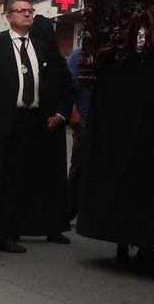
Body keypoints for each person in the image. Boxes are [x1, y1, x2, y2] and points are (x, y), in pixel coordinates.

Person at [0, 0, 67, 259]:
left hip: (28, 122)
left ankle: (6, 234)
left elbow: (48, 83)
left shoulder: (40, 48)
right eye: (20, 11)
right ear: (8, 16)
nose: (27, 14)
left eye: (30, 11)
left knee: (15, 180)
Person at [14, 16, 74, 242]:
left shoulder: (58, 61)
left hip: (53, 128)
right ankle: (18, 225)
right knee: (24, 177)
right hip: (28, 125)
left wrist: (60, 114)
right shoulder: (25, 57)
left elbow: (68, 88)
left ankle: (54, 226)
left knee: (53, 179)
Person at [66, 42, 90, 229]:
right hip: (83, 117)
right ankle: (68, 210)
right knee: (79, 164)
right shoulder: (79, 55)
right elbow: (69, 86)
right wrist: (73, 111)